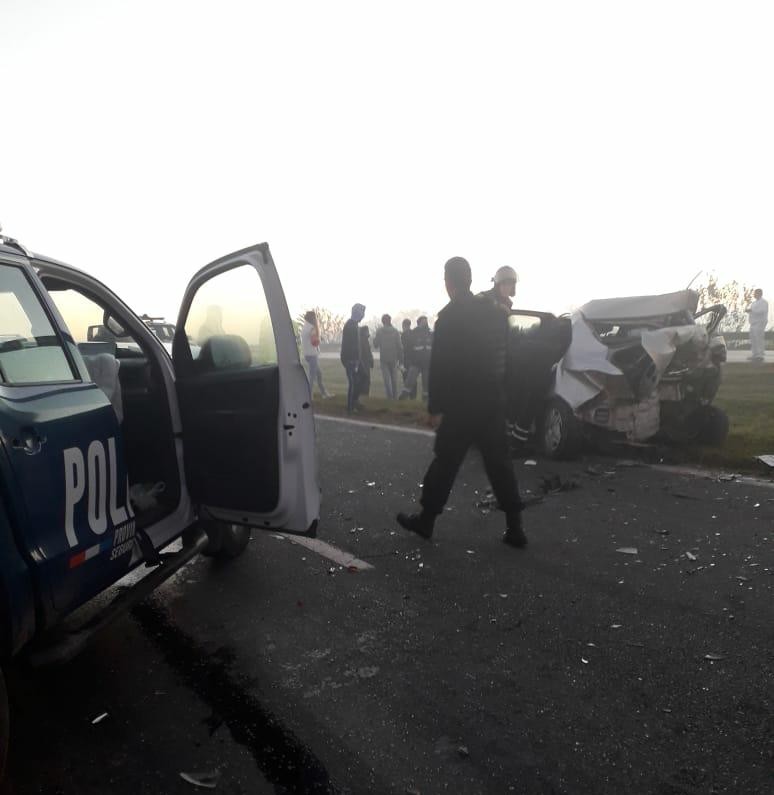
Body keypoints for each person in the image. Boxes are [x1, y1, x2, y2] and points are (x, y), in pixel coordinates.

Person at [396, 257, 527, 548]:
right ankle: (515, 527)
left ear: (449, 282)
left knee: (446, 463)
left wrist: (435, 409)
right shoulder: (493, 314)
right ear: (469, 279)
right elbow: (506, 356)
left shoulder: (449, 318)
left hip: (461, 405)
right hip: (492, 401)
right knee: (499, 464)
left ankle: (427, 520)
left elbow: (440, 367)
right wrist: (504, 396)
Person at [400, 316, 432, 401]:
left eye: (426, 321)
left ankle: (425, 402)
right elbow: (408, 348)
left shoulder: (430, 333)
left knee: (426, 385)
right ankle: (402, 399)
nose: (425, 323)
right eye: (423, 321)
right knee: (409, 382)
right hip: (415, 363)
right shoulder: (413, 333)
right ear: (419, 323)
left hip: (427, 363)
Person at [301, 311, 332, 398]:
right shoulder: (312, 328)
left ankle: (324, 393)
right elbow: (314, 342)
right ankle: (308, 395)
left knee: (318, 374)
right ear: (312, 318)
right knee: (312, 376)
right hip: (312, 354)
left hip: (306, 354)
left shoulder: (304, 327)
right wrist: (319, 339)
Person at [341, 303, 365, 413]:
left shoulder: (354, 325)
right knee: (353, 382)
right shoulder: (351, 326)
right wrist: (354, 361)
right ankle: (350, 407)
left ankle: (354, 401)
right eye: (362, 313)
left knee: (363, 377)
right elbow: (350, 346)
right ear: (357, 313)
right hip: (351, 359)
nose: (363, 316)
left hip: (356, 359)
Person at [373, 314, 403, 399]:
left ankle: (389, 398)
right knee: (394, 380)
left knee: (387, 380)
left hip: (384, 358)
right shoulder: (395, 331)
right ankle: (395, 398)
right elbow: (400, 346)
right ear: (390, 320)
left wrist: (375, 338)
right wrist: (401, 360)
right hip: (394, 358)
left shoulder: (380, 331)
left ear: (383, 321)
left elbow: (375, 345)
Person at [746, 288, 769, 363]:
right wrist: (749, 310)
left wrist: (752, 310)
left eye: (755, 293)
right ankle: (755, 354)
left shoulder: (764, 302)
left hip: (760, 323)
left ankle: (760, 355)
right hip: (753, 323)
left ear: (759, 294)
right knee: (753, 338)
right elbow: (752, 311)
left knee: (758, 338)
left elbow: (762, 311)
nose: (754, 294)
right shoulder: (754, 303)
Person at [356, 326, 374, 400]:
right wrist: (371, 360)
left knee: (363, 381)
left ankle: (363, 396)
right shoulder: (363, 340)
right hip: (364, 363)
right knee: (365, 381)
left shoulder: (362, 339)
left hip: (364, 363)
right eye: (367, 331)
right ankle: (364, 396)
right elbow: (367, 352)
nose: (368, 333)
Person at [400, 319, 415, 397]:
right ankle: (413, 396)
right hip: (414, 359)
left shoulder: (403, 335)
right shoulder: (414, 333)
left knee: (406, 379)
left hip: (406, 359)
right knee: (413, 378)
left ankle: (407, 395)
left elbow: (401, 348)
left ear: (404, 325)